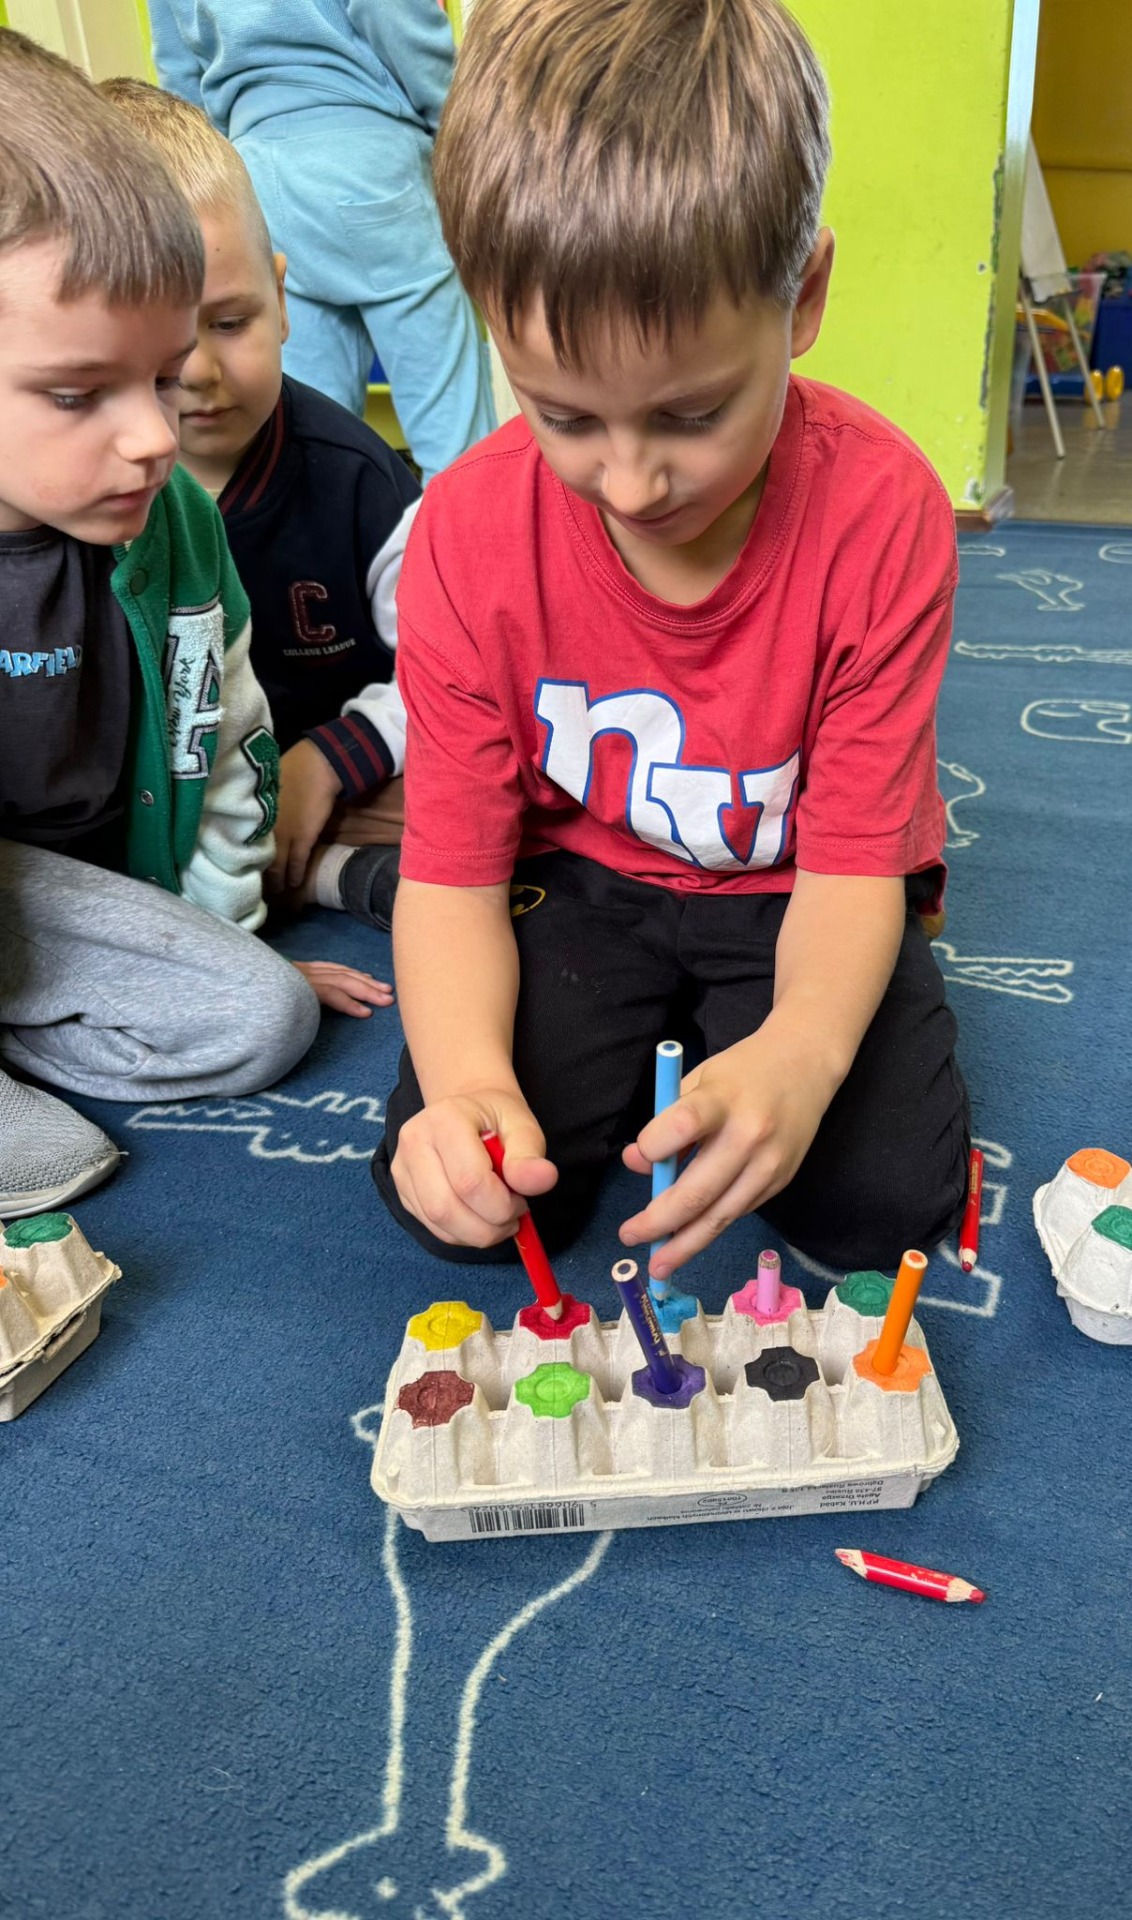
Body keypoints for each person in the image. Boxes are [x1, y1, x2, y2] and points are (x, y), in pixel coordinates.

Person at [372, 0, 971, 1281]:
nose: (633, 483)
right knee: (474, 1197)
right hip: (582, 878)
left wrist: (802, 1052)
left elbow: (854, 864)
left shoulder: (884, 514)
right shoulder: (466, 534)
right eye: (564, 416)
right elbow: (454, 873)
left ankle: (743, 1038)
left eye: (691, 415)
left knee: (878, 1206)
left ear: (802, 296)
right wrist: (467, 1082)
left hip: (800, 885)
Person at [0, 31, 348, 1219]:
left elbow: (227, 741)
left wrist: (223, 938)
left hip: (73, 894)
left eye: (161, 375)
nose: (157, 435)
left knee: (266, 1016)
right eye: (78, 393)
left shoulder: (176, 524)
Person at [101, 78, 415, 931]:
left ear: (281, 300)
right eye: (164, 344)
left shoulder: (360, 479)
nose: (201, 371)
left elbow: (451, 668)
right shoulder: (92, 497)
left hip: (344, 778)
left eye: (230, 322)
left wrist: (334, 758)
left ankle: (326, 870)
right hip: (177, 803)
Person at [147, 0, 497, 479]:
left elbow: (180, 72)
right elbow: (397, 17)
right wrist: (455, 133)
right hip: (371, 159)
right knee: (455, 437)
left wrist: (223, 181)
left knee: (310, 445)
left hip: (255, 173)